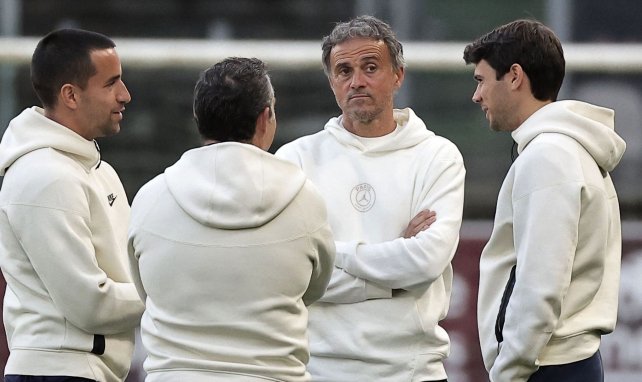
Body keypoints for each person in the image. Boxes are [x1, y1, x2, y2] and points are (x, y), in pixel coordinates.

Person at [275, 15, 465, 382]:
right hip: (316, 371)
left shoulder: (438, 156)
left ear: (398, 75)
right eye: (343, 71)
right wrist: (395, 260)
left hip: (413, 372)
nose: (356, 81)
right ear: (332, 83)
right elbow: (289, 276)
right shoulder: (295, 159)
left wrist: (332, 251)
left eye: (371, 67)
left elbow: (426, 263)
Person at [127, 57, 335, 382]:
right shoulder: (305, 200)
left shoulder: (150, 199)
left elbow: (145, 289)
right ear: (266, 118)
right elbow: (315, 287)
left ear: (198, 118)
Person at [463, 19, 626, 382]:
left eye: (481, 80)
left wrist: (509, 370)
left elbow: (540, 286)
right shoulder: (567, 149)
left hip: (547, 366)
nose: (477, 96)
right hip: (564, 362)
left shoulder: (549, 156)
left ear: (515, 76)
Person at [0, 29, 145, 381]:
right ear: (70, 95)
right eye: (111, 83)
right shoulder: (44, 176)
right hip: (56, 373)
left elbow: (130, 274)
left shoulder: (99, 171)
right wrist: (169, 292)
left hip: (88, 372)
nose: (125, 95)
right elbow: (90, 303)